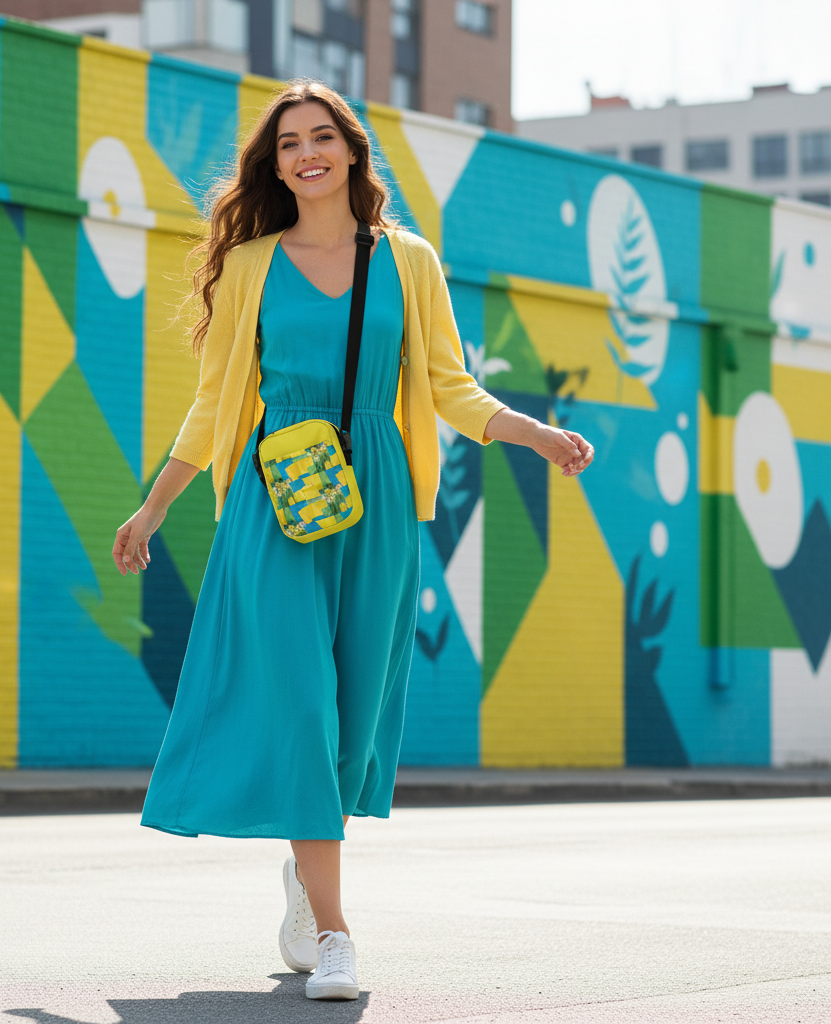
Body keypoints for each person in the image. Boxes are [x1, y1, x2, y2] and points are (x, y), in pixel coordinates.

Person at [112, 79, 594, 1002]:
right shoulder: (251, 263)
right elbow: (217, 405)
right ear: (275, 163)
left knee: (351, 717)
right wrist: (155, 506)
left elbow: (448, 385)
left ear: (351, 150)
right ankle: (335, 935)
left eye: (321, 135)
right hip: (277, 498)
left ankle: (305, 871)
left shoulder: (406, 260)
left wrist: (534, 434)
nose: (306, 153)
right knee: (298, 700)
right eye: (288, 142)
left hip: (376, 495)